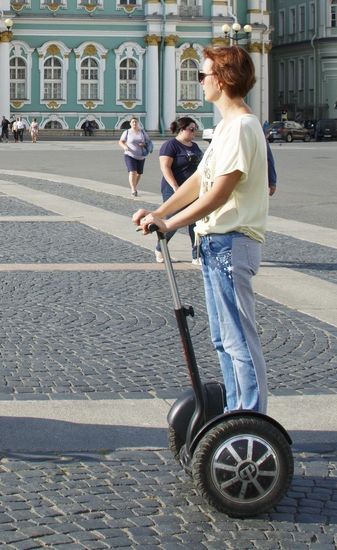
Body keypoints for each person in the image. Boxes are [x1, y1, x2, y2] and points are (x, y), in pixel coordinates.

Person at [134, 45, 271, 413]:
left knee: (239, 337)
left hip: (232, 242)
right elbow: (199, 181)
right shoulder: (226, 128)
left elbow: (219, 195)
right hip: (214, 244)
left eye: (203, 74)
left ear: (223, 80)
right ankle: (235, 413)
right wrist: (159, 210)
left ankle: (252, 417)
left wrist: (170, 223)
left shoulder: (243, 126)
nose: (199, 82)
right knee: (222, 339)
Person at [156, 117, 203, 263]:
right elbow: (165, 167)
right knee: (173, 221)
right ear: (182, 130)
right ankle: (160, 248)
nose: (195, 132)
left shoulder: (194, 146)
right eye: (191, 129)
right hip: (173, 189)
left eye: (195, 129)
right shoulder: (171, 145)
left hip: (193, 190)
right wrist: (175, 186)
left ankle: (197, 255)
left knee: (195, 222)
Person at [119, 117, 152, 197]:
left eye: (136, 122)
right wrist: (124, 147)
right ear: (130, 124)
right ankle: (133, 189)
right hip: (129, 155)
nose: (134, 123)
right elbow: (121, 141)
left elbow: (148, 141)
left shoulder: (142, 132)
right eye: (133, 122)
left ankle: (133, 186)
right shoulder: (127, 132)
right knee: (132, 172)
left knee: (139, 174)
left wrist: (144, 144)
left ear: (138, 123)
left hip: (141, 156)